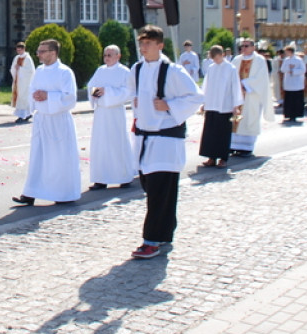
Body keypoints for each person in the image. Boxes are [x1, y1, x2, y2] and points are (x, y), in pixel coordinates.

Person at [129, 25, 203, 259]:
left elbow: (196, 97)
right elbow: (132, 93)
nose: (143, 48)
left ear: (160, 45)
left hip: (165, 140)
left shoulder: (174, 71)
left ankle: (151, 241)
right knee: (151, 188)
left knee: (159, 192)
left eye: (148, 43)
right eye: (141, 43)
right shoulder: (137, 68)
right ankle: (165, 230)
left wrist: (170, 105)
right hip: (144, 139)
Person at [12, 39, 81, 206]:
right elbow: (32, 90)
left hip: (58, 120)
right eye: (38, 51)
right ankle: (30, 192)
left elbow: (70, 98)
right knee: (38, 157)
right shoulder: (39, 71)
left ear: (53, 52)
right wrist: (35, 97)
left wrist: (48, 96)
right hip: (42, 118)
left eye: (42, 51)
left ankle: (63, 193)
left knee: (59, 158)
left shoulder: (65, 72)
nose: (38, 54)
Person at [86, 45, 136, 189]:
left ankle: (123, 177)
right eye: (105, 55)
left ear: (118, 56)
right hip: (101, 114)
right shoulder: (100, 70)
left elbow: (128, 91)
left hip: (115, 113)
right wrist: (97, 92)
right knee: (100, 145)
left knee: (117, 143)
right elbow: (91, 87)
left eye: (110, 55)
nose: (106, 58)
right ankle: (101, 179)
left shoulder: (124, 72)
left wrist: (107, 91)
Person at [198, 45, 242, 169]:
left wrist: (236, 105)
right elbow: (206, 85)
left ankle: (223, 158)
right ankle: (211, 157)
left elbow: (235, 86)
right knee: (210, 133)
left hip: (225, 106)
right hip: (212, 104)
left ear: (222, 55)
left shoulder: (230, 68)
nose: (215, 61)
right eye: (213, 59)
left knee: (223, 133)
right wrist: (203, 102)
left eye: (217, 58)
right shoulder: (211, 68)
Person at [231, 39, 273, 157]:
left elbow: (262, 78)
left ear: (253, 47)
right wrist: (236, 85)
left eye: (246, 46)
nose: (243, 48)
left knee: (249, 119)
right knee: (234, 120)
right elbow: (231, 75)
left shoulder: (259, 60)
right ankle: (233, 145)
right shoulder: (236, 59)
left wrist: (245, 83)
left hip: (251, 95)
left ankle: (246, 147)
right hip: (238, 95)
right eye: (242, 46)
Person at [9, 42, 35, 123]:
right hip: (18, 81)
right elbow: (13, 68)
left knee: (24, 98)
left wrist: (20, 68)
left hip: (25, 82)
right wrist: (15, 69)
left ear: (24, 49)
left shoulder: (27, 58)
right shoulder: (17, 58)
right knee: (19, 97)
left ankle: (25, 114)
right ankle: (23, 115)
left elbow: (30, 71)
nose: (19, 52)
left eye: (20, 50)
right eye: (17, 50)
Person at [280, 46, 306, 122]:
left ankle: (295, 115)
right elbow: (282, 69)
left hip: (296, 83)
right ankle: (288, 114)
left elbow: (303, 70)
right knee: (289, 100)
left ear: (290, 51)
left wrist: (294, 71)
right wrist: (288, 69)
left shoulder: (298, 60)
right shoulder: (286, 60)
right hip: (288, 83)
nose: (286, 53)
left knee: (296, 100)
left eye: (287, 52)